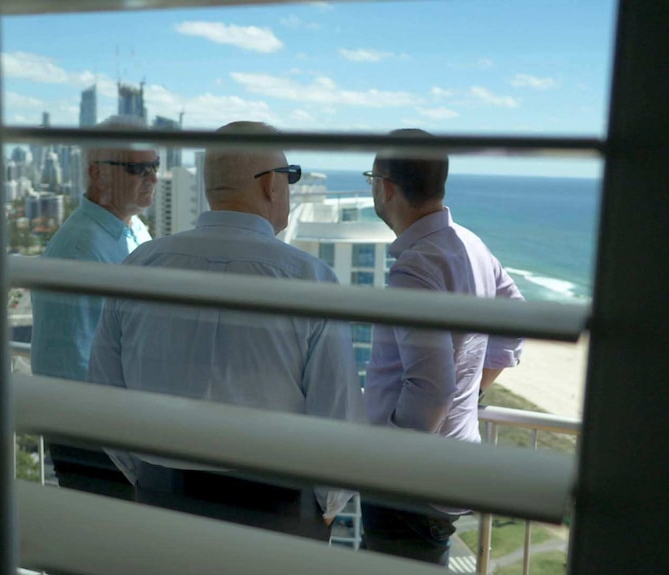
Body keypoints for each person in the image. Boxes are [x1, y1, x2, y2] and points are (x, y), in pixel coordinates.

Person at [87, 121, 365, 541]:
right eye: (290, 177)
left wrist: (147, 475)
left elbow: (104, 389)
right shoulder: (309, 280)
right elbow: (339, 411)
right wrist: (323, 510)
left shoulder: (141, 266)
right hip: (277, 510)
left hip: (162, 506)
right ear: (271, 185)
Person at [361, 129, 525, 565]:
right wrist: (474, 391)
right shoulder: (471, 245)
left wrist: (387, 462)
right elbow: (516, 321)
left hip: (407, 486)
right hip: (448, 471)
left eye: (369, 179)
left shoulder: (415, 268)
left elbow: (431, 388)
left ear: (386, 187)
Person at [30, 115, 157, 499]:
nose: (152, 177)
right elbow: (69, 365)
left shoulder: (134, 230)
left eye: (155, 166)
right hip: (96, 441)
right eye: (138, 168)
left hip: (128, 431)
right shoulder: (79, 250)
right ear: (97, 174)